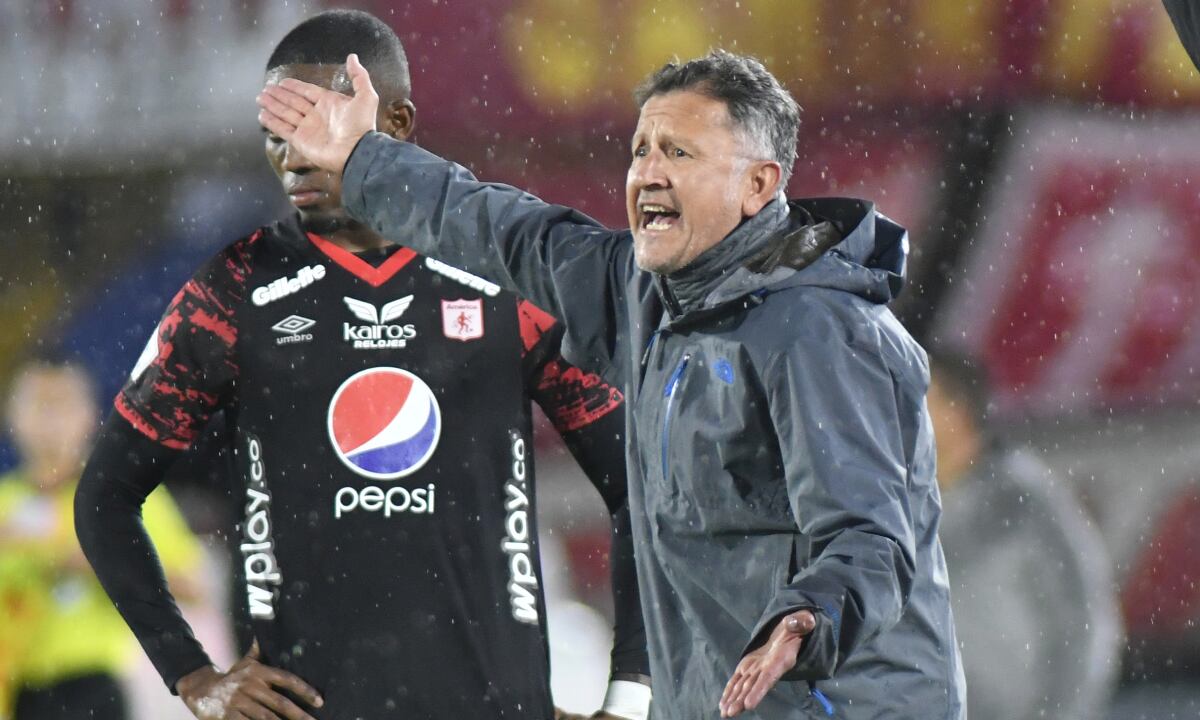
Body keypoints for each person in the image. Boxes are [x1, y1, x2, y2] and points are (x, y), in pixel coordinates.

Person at [258, 48, 966, 719]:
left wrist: (811, 616)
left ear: (758, 185)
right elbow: (497, 227)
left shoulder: (820, 333)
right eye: (640, 150)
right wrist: (363, 158)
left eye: (679, 153)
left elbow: (869, 536)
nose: (648, 173)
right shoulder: (650, 296)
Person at [75, 10, 649, 720]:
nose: (291, 155)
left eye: (314, 124)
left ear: (396, 123)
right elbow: (103, 496)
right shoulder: (232, 292)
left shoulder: (505, 273)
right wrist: (190, 673)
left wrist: (629, 697)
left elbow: (639, 486)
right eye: (275, 133)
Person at [0, 356, 200, 720]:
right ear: (12, 415)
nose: (51, 421)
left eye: (62, 405)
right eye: (39, 405)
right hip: (14, 690)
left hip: (92, 688)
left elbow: (192, 586)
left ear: (89, 415)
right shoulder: (5, 503)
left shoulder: (121, 497)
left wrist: (93, 562)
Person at [927, 353, 1121, 720]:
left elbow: (1085, 620)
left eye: (923, 398)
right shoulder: (901, 505)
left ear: (959, 411)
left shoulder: (1025, 502)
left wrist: (1061, 713)